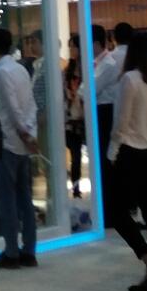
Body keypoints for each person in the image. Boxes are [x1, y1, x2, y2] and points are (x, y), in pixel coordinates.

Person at [108, 32, 147, 291]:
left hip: (130, 153)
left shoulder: (130, 79)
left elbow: (121, 121)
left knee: (117, 212)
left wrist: (112, 152)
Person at [0, 27, 39, 269]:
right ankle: (29, 250)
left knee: (7, 200)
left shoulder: (2, 72)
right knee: (25, 198)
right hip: (23, 141)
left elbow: (11, 107)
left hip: (8, 140)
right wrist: (30, 134)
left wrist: (23, 132)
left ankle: (11, 252)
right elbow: (29, 105)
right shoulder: (20, 69)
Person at [88, 25, 121, 226]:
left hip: (105, 114)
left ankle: (110, 213)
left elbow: (88, 89)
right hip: (100, 113)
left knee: (105, 165)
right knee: (100, 164)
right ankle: (105, 211)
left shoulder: (108, 64)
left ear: (95, 43)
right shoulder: (97, 63)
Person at [64, 37, 84, 199]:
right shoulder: (67, 70)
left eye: (73, 47)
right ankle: (76, 189)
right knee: (75, 155)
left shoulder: (88, 68)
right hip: (71, 117)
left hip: (84, 116)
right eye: (70, 47)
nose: (71, 50)